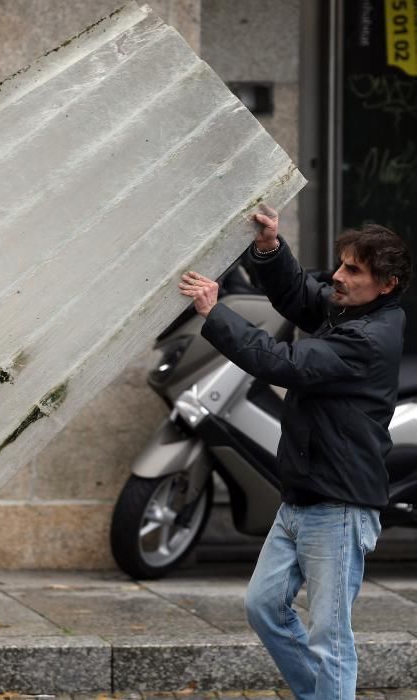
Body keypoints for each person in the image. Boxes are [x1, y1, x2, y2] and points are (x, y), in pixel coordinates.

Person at [178, 204, 411, 700]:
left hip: (339, 504)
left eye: (353, 270)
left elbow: (283, 362)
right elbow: (303, 295)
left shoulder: (368, 338)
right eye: (341, 264)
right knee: (264, 607)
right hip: (304, 494)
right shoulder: (350, 308)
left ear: (386, 284)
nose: (338, 277)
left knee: (330, 638)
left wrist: (214, 312)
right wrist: (269, 247)